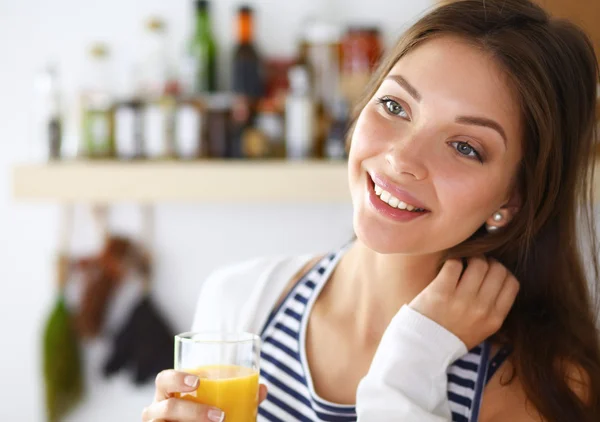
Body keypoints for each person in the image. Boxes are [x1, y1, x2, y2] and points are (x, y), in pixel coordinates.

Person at [142, 0, 600, 421]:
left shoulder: (539, 387)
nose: (403, 158)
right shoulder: (239, 302)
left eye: (465, 146)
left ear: (512, 198)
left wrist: (412, 362)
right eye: (395, 105)